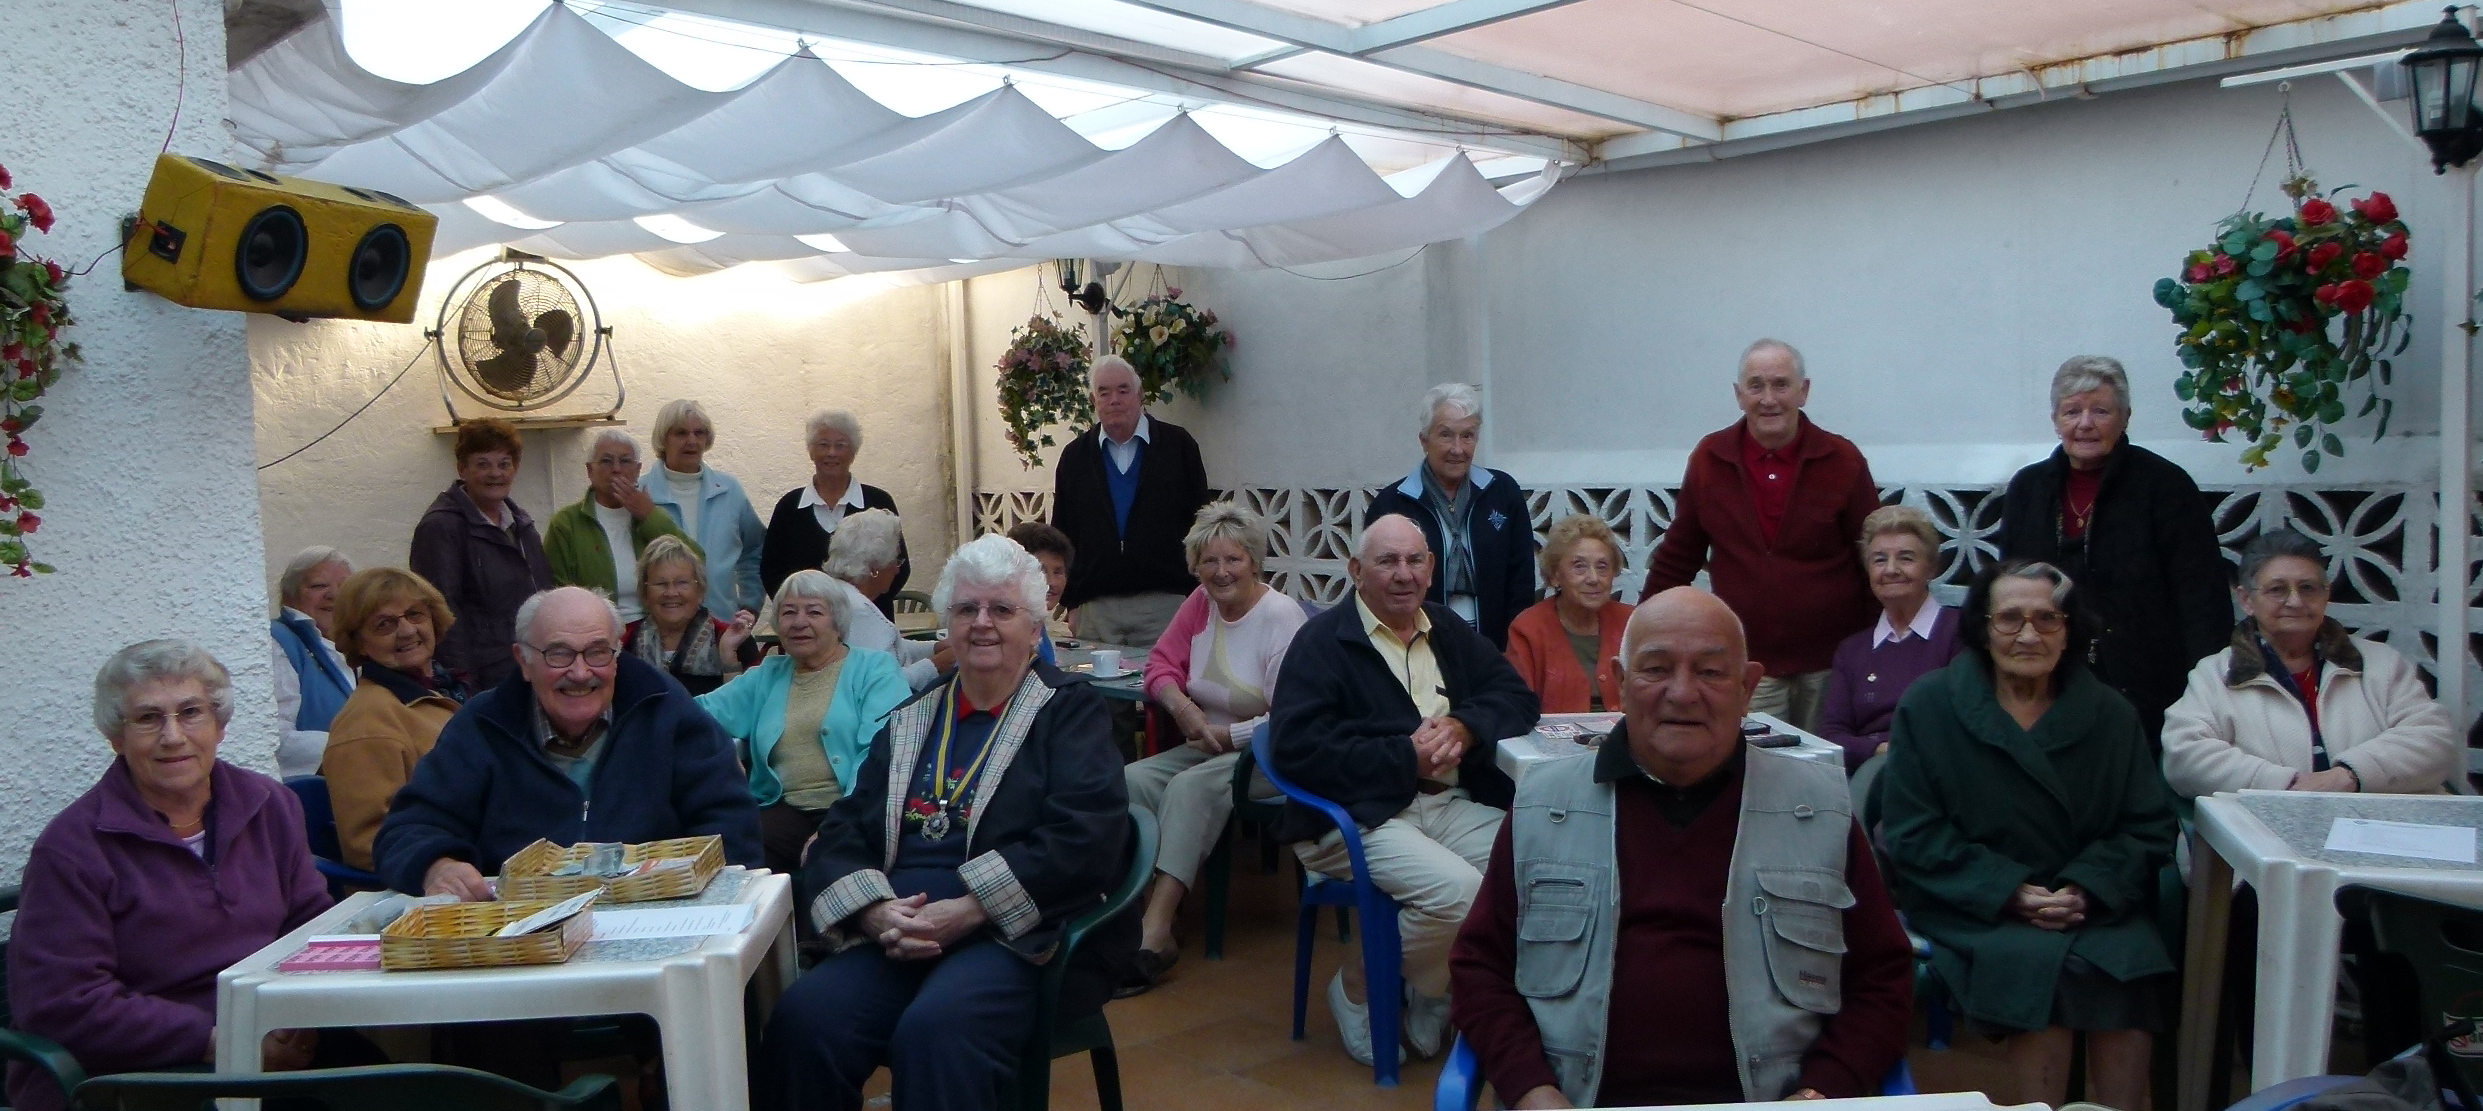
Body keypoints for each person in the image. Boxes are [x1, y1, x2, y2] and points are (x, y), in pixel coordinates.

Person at [1450, 589, 1915, 1108]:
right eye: (1656, 668)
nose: (1683, 692)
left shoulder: (1819, 810)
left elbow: (1883, 977)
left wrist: (1821, 1090)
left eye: (1712, 672)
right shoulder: (1543, 805)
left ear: (1747, 688)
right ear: (1621, 683)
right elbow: (1480, 965)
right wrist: (1532, 1088)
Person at [753, 535, 1137, 1111]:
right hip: (897, 932)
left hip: (1013, 935)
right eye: (966, 609)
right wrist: (875, 911)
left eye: (1001, 610)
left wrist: (970, 909)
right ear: (947, 627)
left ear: (1035, 629)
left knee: (935, 1034)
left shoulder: (1070, 713)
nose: (982, 624)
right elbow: (844, 829)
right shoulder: (911, 718)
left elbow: (1086, 835)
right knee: (804, 1021)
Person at [1878, 560, 2179, 1110]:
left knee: (2129, 966)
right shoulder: (1930, 705)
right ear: (1981, 626)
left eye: (2047, 619)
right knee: (2044, 969)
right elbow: (1911, 831)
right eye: (2009, 618)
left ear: (2070, 630)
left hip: (2090, 901)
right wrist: (2008, 890)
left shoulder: (2111, 714)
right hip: (1971, 903)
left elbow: (2147, 826)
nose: (2028, 634)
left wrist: (2085, 887)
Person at [6, 642, 341, 1111]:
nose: (173, 736)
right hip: (131, 1073)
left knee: (396, 1083)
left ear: (219, 726)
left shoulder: (270, 805)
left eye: (191, 712)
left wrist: (299, 1022)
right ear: (116, 737)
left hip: (269, 1035)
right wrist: (218, 1040)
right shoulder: (72, 849)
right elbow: (64, 1003)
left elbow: (310, 927)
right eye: (147, 718)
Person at [1268, 514, 1541, 1066]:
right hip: (1356, 816)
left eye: (1415, 560)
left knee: (1535, 869)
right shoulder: (1322, 642)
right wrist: (1403, 756)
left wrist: (1465, 726)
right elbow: (1298, 751)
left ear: (1431, 568)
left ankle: (1433, 985)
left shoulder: (1445, 628)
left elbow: (1516, 697)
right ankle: (1357, 987)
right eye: (1387, 561)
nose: (1403, 574)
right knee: (1461, 894)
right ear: (1356, 572)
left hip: (1446, 804)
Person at [373, 586, 762, 901]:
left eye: (597, 652)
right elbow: (409, 827)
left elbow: (730, 822)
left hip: (654, 913)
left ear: (616, 656)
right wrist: (437, 866)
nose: (580, 673)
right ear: (523, 661)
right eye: (558, 654)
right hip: (519, 939)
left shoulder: (666, 711)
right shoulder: (482, 726)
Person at [1639, 340, 1882, 733]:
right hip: (1749, 662)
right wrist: (1641, 630)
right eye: (1756, 386)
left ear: (1803, 391)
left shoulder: (1842, 459)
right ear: (1739, 396)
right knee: (1759, 772)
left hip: (1832, 662)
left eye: (1781, 385)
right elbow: (1678, 556)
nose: (1769, 399)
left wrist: (1876, 648)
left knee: (1826, 770)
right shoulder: (1710, 458)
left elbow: (1873, 557)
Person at [1999, 355, 2232, 745]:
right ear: (2056, 420)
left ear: (2125, 417)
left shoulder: (2166, 487)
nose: (2085, 423)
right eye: (2072, 411)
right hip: (2047, 680)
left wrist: (2207, 691)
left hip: (2148, 686)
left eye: (2101, 411)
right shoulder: (2028, 488)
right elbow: (2006, 586)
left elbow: (2201, 601)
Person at [1121, 503, 1308, 989]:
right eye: (1209, 561)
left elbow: (1289, 718)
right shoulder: (1199, 605)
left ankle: (1156, 930)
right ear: (1195, 566)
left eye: (1233, 559)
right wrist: (1183, 709)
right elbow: (1158, 667)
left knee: (1189, 789)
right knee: (1129, 781)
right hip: (1206, 743)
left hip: (1268, 754)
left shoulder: (1281, 617)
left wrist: (1229, 736)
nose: (1221, 572)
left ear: (1254, 561)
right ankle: (1147, 904)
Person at [2163, 528, 2460, 796]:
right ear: (2246, 600)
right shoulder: (2216, 675)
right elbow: (2185, 756)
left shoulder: (2380, 663)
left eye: (2308, 588)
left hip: (2385, 833)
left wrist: (2350, 776)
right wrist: (2288, 784)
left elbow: (2433, 738)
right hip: (2271, 837)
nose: (2295, 601)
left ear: (2326, 594)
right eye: (2277, 589)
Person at [698, 570, 911, 875]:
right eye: (788, 612)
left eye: (814, 612)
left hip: (856, 807)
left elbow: (880, 753)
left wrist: (838, 824)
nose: (799, 622)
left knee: (830, 861)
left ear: (837, 623)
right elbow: (696, 716)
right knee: (738, 857)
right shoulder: (768, 674)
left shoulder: (874, 669)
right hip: (783, 810)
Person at [1048, 356, 1211, 649]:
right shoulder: (1075, 458)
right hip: (1096, 609)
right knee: (1096, 694)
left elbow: (1200, 522)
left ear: (1139, 395)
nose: (1114, 400)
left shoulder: (1178, 447)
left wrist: (1195, 593)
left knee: (1166, 690)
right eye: (1104, 392)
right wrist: (1071, 603)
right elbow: (1062, 534)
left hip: (1165, 604)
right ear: (1093, 399)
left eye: (1123, 390)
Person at [321, 568, 472, 873]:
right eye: (384, 625)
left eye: (415, 614)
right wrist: (441, 866)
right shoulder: (367, 723)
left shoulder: (446, 691)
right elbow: (370, 843)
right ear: (360, 643)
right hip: (430, 897)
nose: (406, 631)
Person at [1366, 383, 1537, 650]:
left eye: (1467, 436)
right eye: (1446, 435)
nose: (1457, 449)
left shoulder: (1503, 493)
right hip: (1417, 646)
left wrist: (1515, 649)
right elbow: (1374, 590)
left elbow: (1521, 581)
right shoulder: (1393, 503)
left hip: (1493, 646)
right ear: (1424, 440)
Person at [410, 418, 554, 689]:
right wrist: (463, 684)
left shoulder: (521, 524)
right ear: (462, 469)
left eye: (504, 464)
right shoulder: (441, 527)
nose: (495, 473)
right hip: (483, 679)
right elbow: (442, 613)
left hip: (527, 668)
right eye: (482, 464)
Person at [1819, 505, 1964, 771]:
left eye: (1906, 558)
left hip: (1938, 772)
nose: (1891, 569)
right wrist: (1880, 749)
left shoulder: (1959, 633)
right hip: (1868, 775)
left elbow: (1962, 723)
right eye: (1879, 560)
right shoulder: (1852, 650)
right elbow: (1831, 737)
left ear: (1931, 569)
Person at [761, 409, 910, 610]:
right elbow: (771, 569)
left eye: (840, 445)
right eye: (823, 445)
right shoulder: (789, 507)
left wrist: (860, 606)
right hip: (808, 627)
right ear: (811, 451)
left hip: (869, 620)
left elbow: (900, 566)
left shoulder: (878, 501)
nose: (832, 452)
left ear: (853, 453)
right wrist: (799, 610)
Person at [543, 429, 694, 624]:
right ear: (590, 471)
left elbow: (696, 561)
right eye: (606, 461)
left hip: (656, 629)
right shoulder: (567, 523)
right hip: (595, 631)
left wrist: (650, 517)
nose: (616, 469)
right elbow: (556, 592)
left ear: (638, 470)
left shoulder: (651, 515)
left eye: (625, 461)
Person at [640, 399, 768, 619]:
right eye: (681, 433)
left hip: (722, 625)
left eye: (699, 433)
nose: (692, 441)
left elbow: (756, 551)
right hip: (657, 629)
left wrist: (750, 605)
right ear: (663, 439)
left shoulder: (729, 491)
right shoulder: (642, 493)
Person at [1502, 514, 1630, 713]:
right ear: (1555, 576)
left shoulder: (1631, 623)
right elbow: (1516, 707)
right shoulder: (1528, 629)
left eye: (1602, 567)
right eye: (1579, 567)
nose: (1594, 578)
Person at [625, 535, 761, 697]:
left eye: (682, 582)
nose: (671, 593)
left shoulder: (736, 642)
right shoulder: (624, 642)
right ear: (645, 593)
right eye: (661, 584)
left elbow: (751, 708)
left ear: (700, 590)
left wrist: (729, 659)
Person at [823, 509, 943, 691]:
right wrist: (935, 665)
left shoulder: (836, 592)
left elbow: (892, 648)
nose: (897, 570)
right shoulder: (857, 610)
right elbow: (880, 684)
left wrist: (936, 647)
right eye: (895, 560)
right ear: (874, 568)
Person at [270, 545, 356, 778]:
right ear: (289, 596)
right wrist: (361, 747)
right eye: (319, 586)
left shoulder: (358, 646)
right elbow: (274, 737)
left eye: (345, 587)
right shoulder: (277, 641)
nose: (334, 595)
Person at [1006, 520, 1075, 657]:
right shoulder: (1009, 632)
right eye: (1041, 571)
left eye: (1058, 572)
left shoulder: (1037, 625)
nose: (1052, 582)